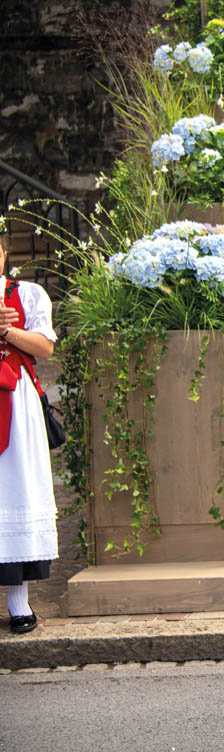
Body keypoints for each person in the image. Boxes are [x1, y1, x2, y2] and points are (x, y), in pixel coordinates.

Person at [0, 236, 59, 634]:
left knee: (17, 488)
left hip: (16, 403)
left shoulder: (28, 294)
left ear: (4, 254)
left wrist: (8, 332)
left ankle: (18, 601)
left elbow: (45, 347)